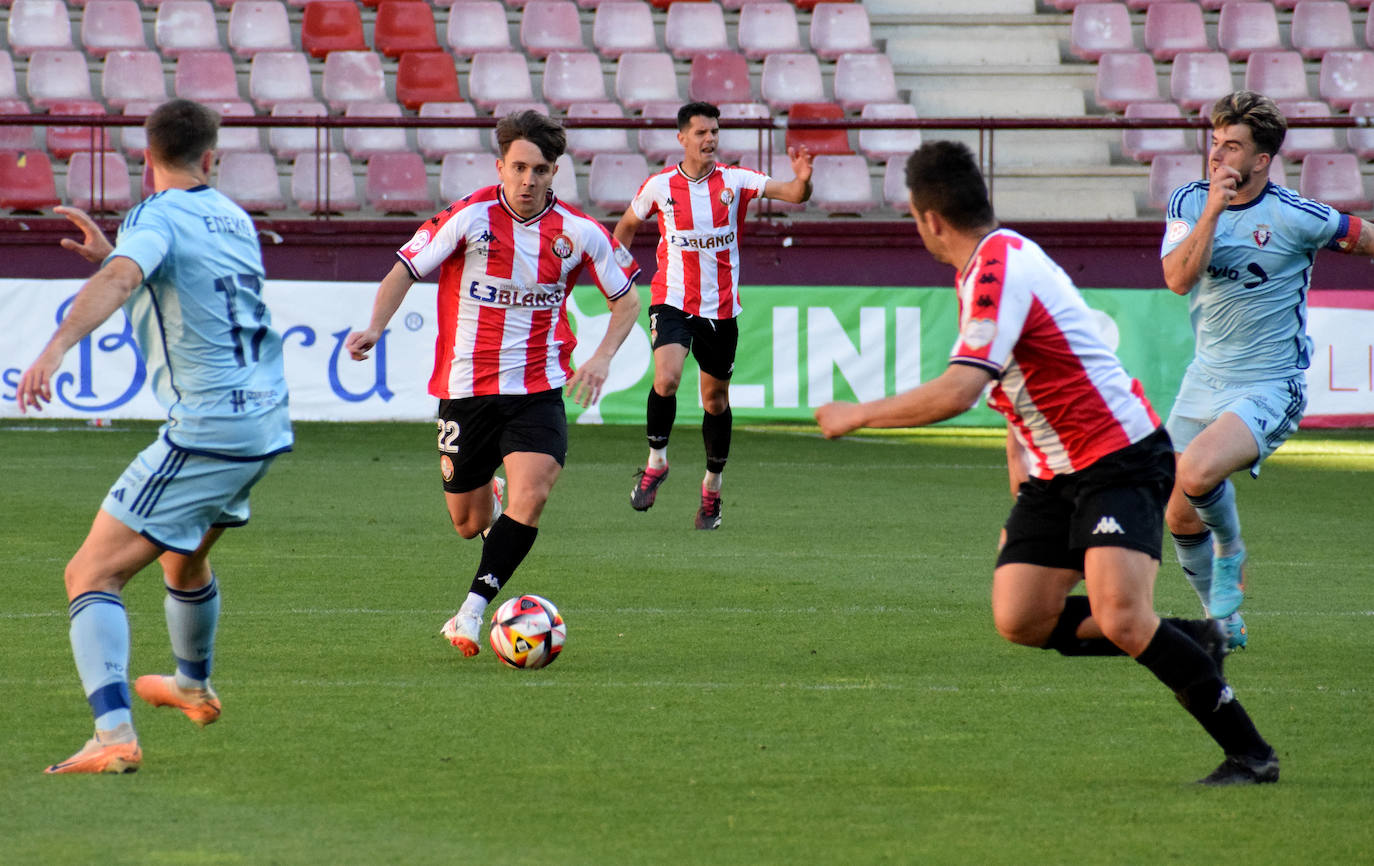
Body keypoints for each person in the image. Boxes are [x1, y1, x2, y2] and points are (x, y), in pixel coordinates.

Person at [815, 141, 1280, 785]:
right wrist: (1022, 459)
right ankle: (1190, 640)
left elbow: (960, 390)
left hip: (1119, 456)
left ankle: (1251, 753)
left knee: (1120, 615)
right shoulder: (991, 261)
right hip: (1057, 470)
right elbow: (1022, 374)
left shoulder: (997, 267)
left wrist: (857, 413)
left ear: (927, 220)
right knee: (1021, 615)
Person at [17, 99, 294, 774]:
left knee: (90, 573)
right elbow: (181, 280)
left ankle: (113, 736)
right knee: (183, 560)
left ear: (147, 158)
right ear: (212, 157)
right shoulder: (234, 217)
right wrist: (118, 255)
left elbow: (124, 279)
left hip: (208, 427)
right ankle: (191, 685)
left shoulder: (156, 216)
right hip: (264, 423)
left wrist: (55, 347)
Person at [345, 111, 641, 656]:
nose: (529, 180)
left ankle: (470, 612)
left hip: (538, 387)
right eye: (520, 167)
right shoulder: (468, 217)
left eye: (541, 170)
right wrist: (375, 327)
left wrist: (600, 358)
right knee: (468, 522)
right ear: (500, 165)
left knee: (536, 490)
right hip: (467, 389)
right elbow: (405, 270)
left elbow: (627, 300)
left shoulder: (579, 232)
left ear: (556, 172)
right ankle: (489, 500)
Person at [1160, 91, 1373, 649]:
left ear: (1260, 160)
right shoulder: (1188, 202)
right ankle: (1222, 620)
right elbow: (1179, 278)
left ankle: (1232, 550)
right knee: (1179, 518)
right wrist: (1211, 209)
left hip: (1270, 384)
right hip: (1203, 377)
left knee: (1199, 472)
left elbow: (1364, 237)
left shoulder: (1297, 217)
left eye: (1232, 146)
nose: (1217, 155)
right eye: (1214, 142)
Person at [612, 101, 814, 530]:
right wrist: (619, 272)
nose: (710, 139)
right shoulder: (660, 185)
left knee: (714, 400)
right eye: (701, 133)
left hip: (720, 309)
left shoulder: (736, 181)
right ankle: (656, 462)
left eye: (714, 132)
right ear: (681, 138)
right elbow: (627, 224)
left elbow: (794, 195)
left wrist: (803, 180)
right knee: (665, 378)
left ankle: (712, 488)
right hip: (672, 300)